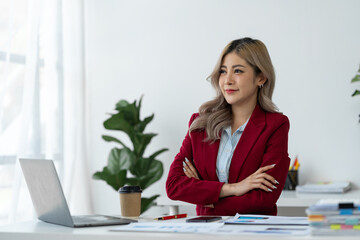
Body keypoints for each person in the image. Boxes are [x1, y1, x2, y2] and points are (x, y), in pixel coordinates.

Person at [166, 37, 290, 216]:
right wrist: (233, 188)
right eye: (223, 72)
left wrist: (207, 199)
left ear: (261, 77)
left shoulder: (275, 125)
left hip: (253, 233)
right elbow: (174, 186)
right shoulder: (200, 123)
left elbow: (264, 198)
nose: (227, 80)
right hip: (208, 233)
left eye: (238, 71)